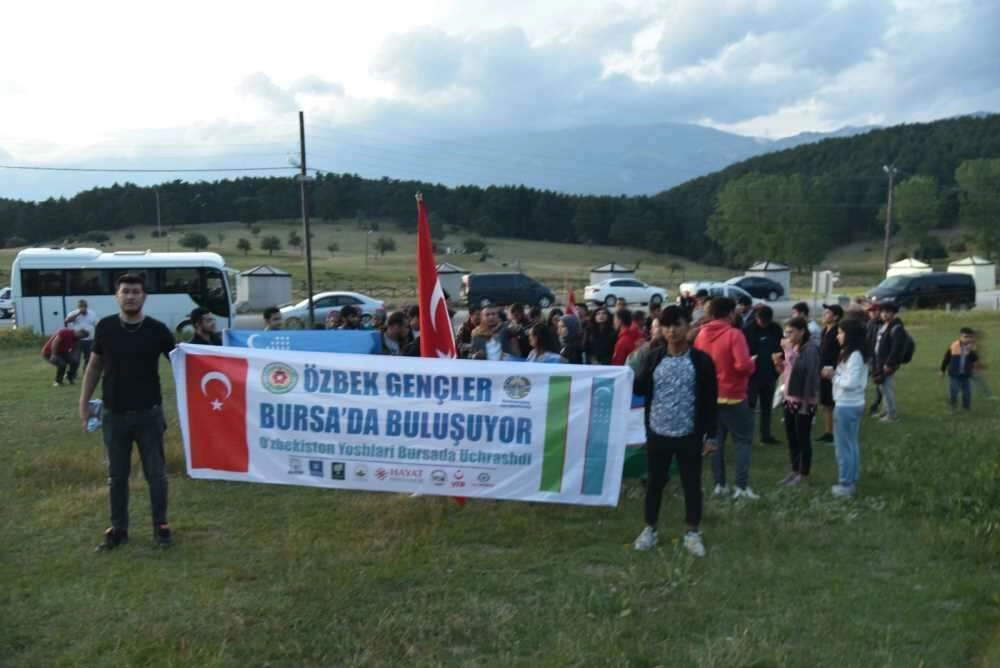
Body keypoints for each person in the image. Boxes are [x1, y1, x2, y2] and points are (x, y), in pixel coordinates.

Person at [78, 274, 176, 551]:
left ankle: (161, 527)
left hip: (149, 415)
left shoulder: (158, 330)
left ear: (144, 296)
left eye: (136, 291)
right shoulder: (106, 327)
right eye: (126, 291)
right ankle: (118, 529)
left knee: (156, 475)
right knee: (116, 477)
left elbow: (182, 363)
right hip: (114, 415)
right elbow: (94, 366)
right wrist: (84, 404)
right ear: (117, 296)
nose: (131, 296)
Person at [632, 305, 718, 557]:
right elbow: (638, 388)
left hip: (689, 434)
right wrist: (639, 360)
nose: (672, 331)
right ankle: (650, 529)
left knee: (691, 484)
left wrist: (711, 435)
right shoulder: (653, 358)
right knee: (654, 483)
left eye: (677, 325)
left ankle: (692, 533)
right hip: (658, 433)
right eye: (666, 326)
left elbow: (710, 400)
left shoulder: (701, 361)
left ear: (688, 326)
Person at [694, 297, 758, 499]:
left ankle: (719, 484)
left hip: (711, 396)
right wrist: (751, 364)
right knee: (742, 441)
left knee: (716, 442)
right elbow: (742, 365)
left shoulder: (701, 334)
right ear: (730, 313)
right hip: (733, 394)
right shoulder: (734, 334)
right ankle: (741, 486)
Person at [774, 317, 821, 486]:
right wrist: (779, 365)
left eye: (791, 332)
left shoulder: (810, 349)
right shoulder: (794, 347)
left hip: (804, 400)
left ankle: (804, 473)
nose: (788, 336)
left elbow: (806, 373)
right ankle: (794, 470)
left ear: (802, 331)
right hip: (790, 398)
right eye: (786, 332)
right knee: (791, 437)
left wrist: (788, 352)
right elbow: (789, 372)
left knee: (803, 438)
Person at [825, 318, 867, 497]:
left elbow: (851, 382)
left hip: (847, 405)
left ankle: (846, 483)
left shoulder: (855, 355)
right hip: (852, 403)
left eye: (841, 333)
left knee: (843, 447)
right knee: (851, 444)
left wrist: (833, 376)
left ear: (850, 335)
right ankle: (851, 479)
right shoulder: (852, 353)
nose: (838, 336)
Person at [743, 305, 783, 445]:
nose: (763, 324)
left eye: (766, 321)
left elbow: (780, 347)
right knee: (750, 406)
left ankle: (766, 435)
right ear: (756, 317)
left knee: (767, 407)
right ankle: (747, 436)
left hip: (769, 374)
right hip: (753, 375)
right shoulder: (748, 330)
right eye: (761, 321)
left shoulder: (775, 329)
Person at [872, 302, 906, 423]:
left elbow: (896, 347)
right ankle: (884, 411)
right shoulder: (884, 325)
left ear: (894, 313)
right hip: (879, 360)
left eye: (888, 312)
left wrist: (889, 363)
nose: (884, 314)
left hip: (887, 362)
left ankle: (892, 414)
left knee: (887, 388)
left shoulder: (897, 328)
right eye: (882, 312)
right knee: (882, 387)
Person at [817, 304, 843, 443]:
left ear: (836, 317)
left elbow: (840, 353)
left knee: (831, 402)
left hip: (832, 372)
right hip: (822, 371)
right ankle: (828, 432)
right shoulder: (824, 331)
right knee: (826, 402)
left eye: (827, 313)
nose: (824, 314)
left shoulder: (837, 332)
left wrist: (833, 369)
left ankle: (833, 432)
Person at [940, 327, 979, 412]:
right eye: (966, 336)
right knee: (954, 391)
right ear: (960, 336)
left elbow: (975, 359)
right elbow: (946, 358)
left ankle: (966, 408)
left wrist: (970, 351)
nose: (968, 339)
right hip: (954, 374)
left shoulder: (972, 347)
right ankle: (952, 407)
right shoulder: (954, 345)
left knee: (967, 393)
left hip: (966, 374)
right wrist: (942, 370)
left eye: (970, 337)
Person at [65, 298, 98, 368]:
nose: (83, 307)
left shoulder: (92, 313)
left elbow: (96, 325)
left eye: (84, 306)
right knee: (75, 358)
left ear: (87, 306)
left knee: (89, 358)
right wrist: (78, 313)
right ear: (78, 307)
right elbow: (67, 321)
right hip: (77, 340)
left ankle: (86, 372)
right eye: (81, 306)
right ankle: (71, 372)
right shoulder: (74, 313)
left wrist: (97, 337)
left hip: (89, 339)